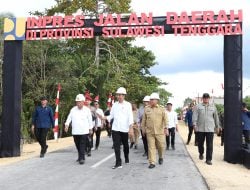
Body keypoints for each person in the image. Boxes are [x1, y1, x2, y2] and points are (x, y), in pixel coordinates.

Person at [103, 87, 133, 169]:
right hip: (115, 128)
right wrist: (105, 117)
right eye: (118, 95)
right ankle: (118, 162)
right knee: (116, 146)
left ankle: (126, 156)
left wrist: (130, 128)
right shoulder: (114, 105)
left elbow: (130, 117)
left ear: (124, 96)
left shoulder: (128, 105)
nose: (119, 96)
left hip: (124, 129)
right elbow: (111, 116)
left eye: (121, 95)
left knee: (126, 146)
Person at [141, 92, 168, 169]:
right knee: (151, 147)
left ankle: (160, 157)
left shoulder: (162, 108)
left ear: (157, 100)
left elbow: (165, 119)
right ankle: (152, 162)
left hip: (160, 132)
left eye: (153, 99)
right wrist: (143, 129)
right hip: (150, 132)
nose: (151, 101)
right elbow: (144, 120)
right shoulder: (147, 109)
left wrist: (166, 128)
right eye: (151, 99)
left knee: (161, 146)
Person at [192, 93, 221, 165]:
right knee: (200, 144)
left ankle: (208, 159)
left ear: (209, 98)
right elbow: (195, 116)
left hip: (210, 129)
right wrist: (194, 125)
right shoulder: (198, 106)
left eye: (207, 98)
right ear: (202, 98)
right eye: (204, 98)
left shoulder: (213, 107)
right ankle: (201, 153)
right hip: (200, 129)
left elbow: (216, 118)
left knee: (210, 145)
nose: (206, 99)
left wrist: (217, 127)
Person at [64, 94, 93, 165]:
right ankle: (81, 156)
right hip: (75, 131)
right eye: (77, 102)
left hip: (84, 131)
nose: (78, 103)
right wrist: (66, 125)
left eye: (80, 102)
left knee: (82, 145)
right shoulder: (73, 110)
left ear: (83, 102)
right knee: (77, 145)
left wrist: (90, 128)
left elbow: (90, 120)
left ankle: (81, 158)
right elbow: (69, 118)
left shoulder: (87, 110)